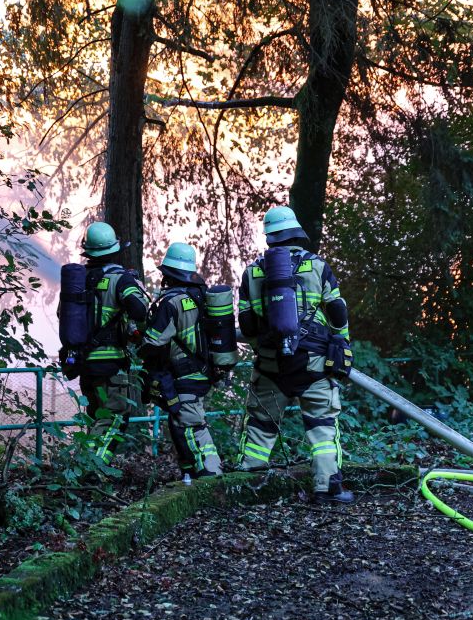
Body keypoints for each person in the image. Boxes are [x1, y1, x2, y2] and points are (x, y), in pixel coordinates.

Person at [235, 206, 354, 503]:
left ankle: (247, 486)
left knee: (260, 425)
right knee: (322, 426)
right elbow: (337, 309)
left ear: (269, 237)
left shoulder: (252, 272)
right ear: (295, 232)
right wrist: (342, 341)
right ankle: (327, 488)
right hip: (313, 363)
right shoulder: (317, 266)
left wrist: (264, 350)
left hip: (271, 366)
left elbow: (247, 324)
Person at [60, 222, 150, 464]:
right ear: (114, 249)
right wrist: (136, 289)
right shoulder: (120, 279)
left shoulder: (79, 280)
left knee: (97, 416)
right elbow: (140, 311)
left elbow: (62, 314)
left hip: (84, 363)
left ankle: (83, 468)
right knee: (115, 417)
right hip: (110, 364)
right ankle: (90, 467)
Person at [139, 243, 223, 478]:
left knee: (191, 425)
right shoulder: (201, 296)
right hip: (202, 371)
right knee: (178, 424)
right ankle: (190, 475)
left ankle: (212, 474)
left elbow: (153, 341)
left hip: (184, 374)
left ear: (169, 273)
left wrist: (138, 340)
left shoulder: (171, 302)